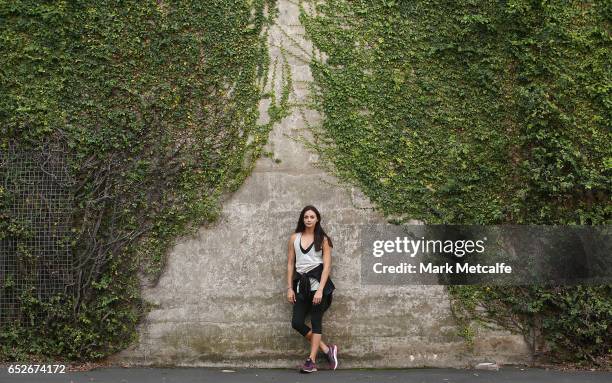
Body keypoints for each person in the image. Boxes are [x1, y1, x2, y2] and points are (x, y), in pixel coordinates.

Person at [287, 205, 339, 373]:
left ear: (317, 219)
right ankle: (326, 349)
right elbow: (290, 264)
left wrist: (320, 290)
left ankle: (312, 361)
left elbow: (327, 267)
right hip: (301, 286)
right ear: (302, 219)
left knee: (316, 322)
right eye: (306, 217)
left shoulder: (323, 239)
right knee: (296, 322)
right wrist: (290, 288)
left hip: (318, 285)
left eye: (312, 217)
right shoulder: (294, 238)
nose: (308, 219)